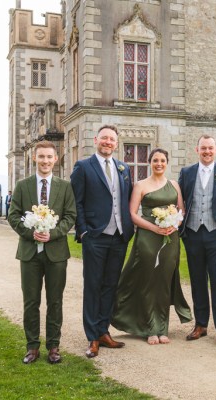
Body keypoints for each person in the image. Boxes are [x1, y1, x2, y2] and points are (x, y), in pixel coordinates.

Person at [112, 149, 192, 345]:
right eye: (155, 160)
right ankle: (149, 328)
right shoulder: (140, 185)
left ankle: (162, 328)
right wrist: (155, 228)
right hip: (148, 238)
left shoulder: (174, 185)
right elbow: (132, 214)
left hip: (170, 239)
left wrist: (175, 224)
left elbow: (181, 210)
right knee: (148, 282)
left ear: (167, 162)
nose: (159, 163)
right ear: (149, 162)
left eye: (162, 160)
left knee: (164, 282)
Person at [8, 141, 76, 364]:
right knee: (31, 301)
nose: (45, 161)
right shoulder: (23, 185)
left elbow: (70, 216)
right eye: (41, 157)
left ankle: (54, 346)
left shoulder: (64, 187)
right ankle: (32, 347)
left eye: (49, 157)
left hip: (56, 253)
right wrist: (31, 233)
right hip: (29, 253)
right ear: (35, 158)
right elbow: (14, 215)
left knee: (55, 301)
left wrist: (53, 233)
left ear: (56, 159)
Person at [71, 125, 135, 358]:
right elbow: (76, 202)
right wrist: (83, 232)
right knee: (93, 286)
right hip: (95, 237)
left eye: (112, 139)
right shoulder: (83, 167)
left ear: (117, 144)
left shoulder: (124, 167)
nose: (108, 142)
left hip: (119, 237)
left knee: (110, 285)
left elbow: (126, 198)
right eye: (105, 138)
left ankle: (103, 330)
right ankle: (92, 337)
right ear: (96, 139)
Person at [178, 135, 216, 347]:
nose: (207, 152)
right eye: (203, 148)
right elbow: (181, 201)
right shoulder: (186, 173)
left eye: (210, 148)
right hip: (193, 233)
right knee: (197, 280)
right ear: (197, 150)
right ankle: (201, 324)